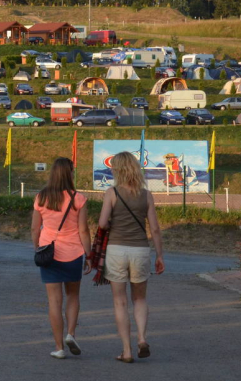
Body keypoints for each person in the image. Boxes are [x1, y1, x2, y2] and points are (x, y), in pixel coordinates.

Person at [98, 151, 164, 363]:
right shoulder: (146, 195)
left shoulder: (112, 193)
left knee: (120, 302)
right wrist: (159, 255)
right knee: (140, 298)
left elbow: (101, 224)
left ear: (118, 170)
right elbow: (154, 229)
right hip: (140, 250)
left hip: (116, 250)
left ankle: (126, 351)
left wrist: (110, 225)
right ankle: (142, 338)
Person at [31, 158, 91, 359]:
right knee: (73, 296)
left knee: (54, 302)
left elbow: (34, 228)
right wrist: (89, 255)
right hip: (73, 253)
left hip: (49, 254)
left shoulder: (41, 197)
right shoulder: (78, 199)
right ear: (70, 173)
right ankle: (71, 334)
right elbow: (83, 230)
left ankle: (58, 348)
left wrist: (38, 247)